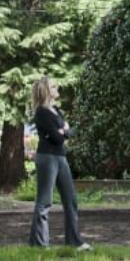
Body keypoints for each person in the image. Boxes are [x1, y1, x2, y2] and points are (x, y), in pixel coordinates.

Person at [28, 76, 90, 250]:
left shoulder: (56, 110)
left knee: (71, 200)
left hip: (61, 157)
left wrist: (64, 132)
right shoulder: (41, 112)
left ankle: (74, 241)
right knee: (45, 202)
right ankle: (40, 244)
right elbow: (57, 137)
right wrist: (63, 132)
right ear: (46, 90)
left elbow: (66, 134)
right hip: (47, 157)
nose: (57, 89)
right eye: (54, 86)